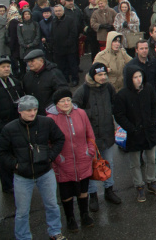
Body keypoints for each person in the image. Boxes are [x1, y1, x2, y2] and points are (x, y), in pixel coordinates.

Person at [0, 95, 68, 240]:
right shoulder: (10, 129)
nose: (32, 113)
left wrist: (50, 157)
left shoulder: (46, 122)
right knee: (22, 211)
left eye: (35, 109)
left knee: (52, 205)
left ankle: (55, 232)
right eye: (28, 110)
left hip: (45, 173)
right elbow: (1, 151)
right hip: (23, 176)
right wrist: (15, 165)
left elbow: (59, 138)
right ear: (20, 111)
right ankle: (23, 237)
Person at [72, 63, 121, 210]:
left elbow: (115, 105)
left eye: (104, 74)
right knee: (91, 167)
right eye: (100, 75)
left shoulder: (109, 88)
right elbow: (74, 111)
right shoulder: (83, 91)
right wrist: (90, 114)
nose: (103, 77)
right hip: (89, 138)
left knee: (109, 163)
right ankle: (92, 195)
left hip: (106, 134)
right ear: (93, 76)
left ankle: (109, 190)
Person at [46, 88, 96, 233]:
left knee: (83, 189)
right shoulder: (51, 119)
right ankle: (70, 218)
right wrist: (57, 158)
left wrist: (90, 151)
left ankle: (84, 214)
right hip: (63, 162)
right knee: (66, 193)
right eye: (62, 101)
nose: (66, 103)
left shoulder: (81, 113)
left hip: (83, 159)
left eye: (68, 100)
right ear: (56, 103)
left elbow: (90, 134)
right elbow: (48, 143)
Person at [0, 57, 26, 194]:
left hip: (17, 125)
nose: (7, 69)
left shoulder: (15, 82)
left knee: (18, 152)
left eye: (8, 66)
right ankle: (7, 185)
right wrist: (0, 126)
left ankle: (20, 180)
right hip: (0, 129)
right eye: (3, 67)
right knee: (4, 157)